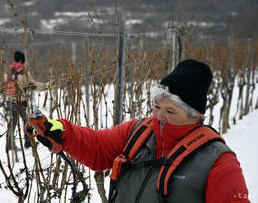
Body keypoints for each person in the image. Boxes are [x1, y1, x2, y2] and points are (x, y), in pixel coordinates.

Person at [27, 59, 250, 202]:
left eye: (170, 111)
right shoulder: (138, 132)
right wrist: (61, 131)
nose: (159, 116)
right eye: (156, 107)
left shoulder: (219, 163)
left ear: (195, 116)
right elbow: (97, 147)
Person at [4, 50, 48, 149]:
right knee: (27, 121)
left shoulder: (9, 71)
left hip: (10, 100)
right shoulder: (23, 71)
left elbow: (4, 85)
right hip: (22, 100)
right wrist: (46, 86)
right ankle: (29, 142)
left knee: (12, 122)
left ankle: (9, 144)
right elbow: (33, 84)